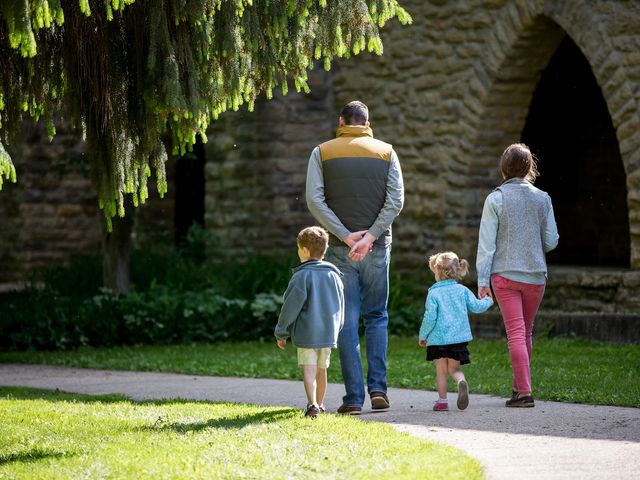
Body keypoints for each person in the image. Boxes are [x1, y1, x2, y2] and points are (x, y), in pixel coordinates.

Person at [306, 100, 404, 415]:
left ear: (341, 121)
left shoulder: (322, 152)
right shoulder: (387, 152)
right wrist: (371, 236)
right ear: (367, 122)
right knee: (377, 316)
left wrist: (347, 236)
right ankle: (379, 389)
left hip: (339, 247)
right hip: (377, 247)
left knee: (346, 322)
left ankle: (352, 399)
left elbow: (314, 200)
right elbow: (396, 201)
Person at [476, 143, 559, 408]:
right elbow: (552, 241)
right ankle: (518, 387)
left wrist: (481, 280)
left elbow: (486, 245)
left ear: (504, 168)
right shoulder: (543, 198)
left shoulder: (495, 198)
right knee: (525, 332)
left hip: (505, 276)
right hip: (536, 275)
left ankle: (524, 392)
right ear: (529, 168)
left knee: (515, 332)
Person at [274, 226, 345, 418]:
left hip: (307, 332)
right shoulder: (334, 275)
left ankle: (312, 404)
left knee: (309, 369)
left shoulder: (301, 275)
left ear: (304, 250)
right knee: (322, 370)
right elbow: (341, 305)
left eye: (298, 248)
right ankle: (320, 404)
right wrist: (338, 327)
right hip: (328, 333)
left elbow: (290, 307)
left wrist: (281, 331)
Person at [419, 251, 493, 411]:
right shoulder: (462, 290)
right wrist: (488, 300)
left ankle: (442, 401)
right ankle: (461, 382)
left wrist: (423, 335)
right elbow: (476, 306)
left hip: (438, 341)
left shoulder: (434, 293)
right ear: (458, 270)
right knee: (454, 369)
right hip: (458, 340)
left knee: (441, 371)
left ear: (437, 271)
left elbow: (430, 317)